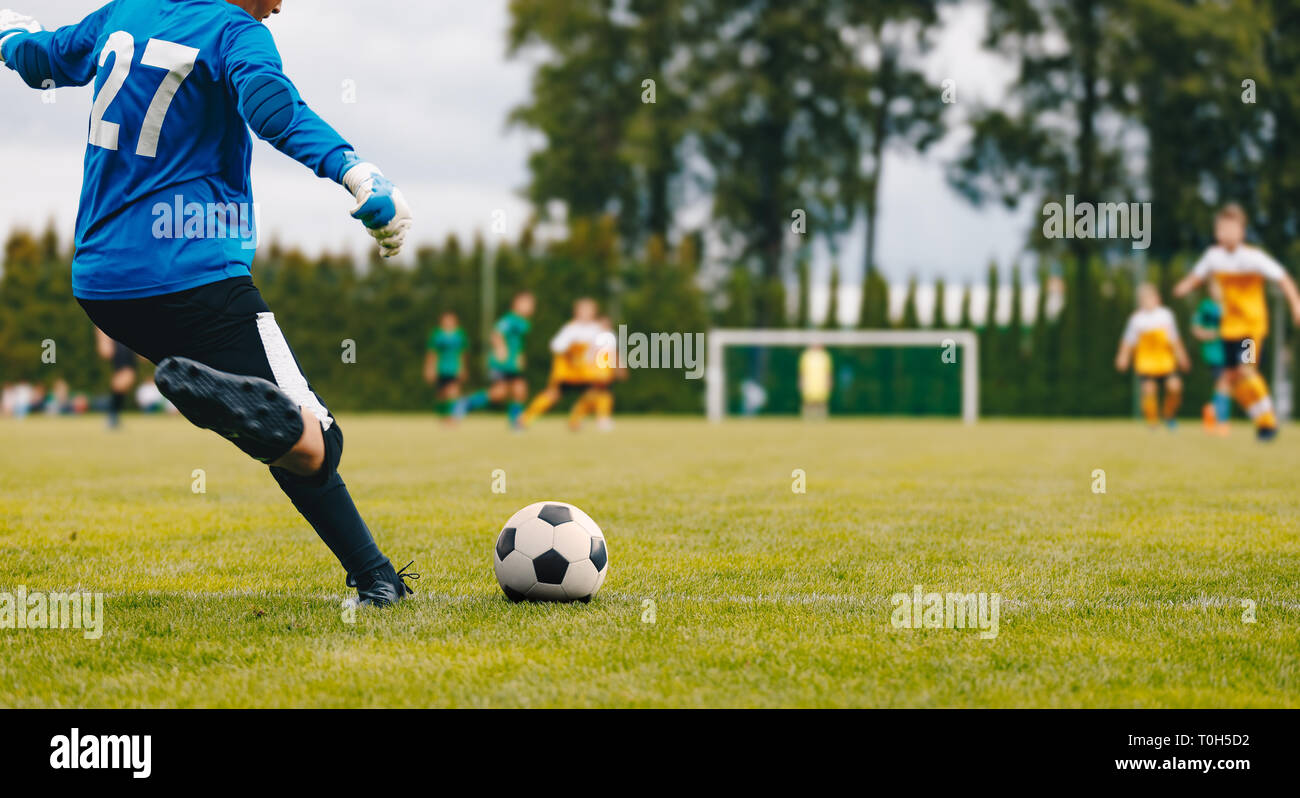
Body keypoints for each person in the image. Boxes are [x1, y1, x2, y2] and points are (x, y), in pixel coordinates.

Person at [1, 0, 417, 605]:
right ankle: (229, 407)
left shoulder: (126, 12)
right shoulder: (233, 32)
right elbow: (272, 106)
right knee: (317, 439)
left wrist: (10, 32)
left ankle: (376, 576)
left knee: (277, 426)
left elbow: (44, 60)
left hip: (104, 284)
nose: (282, 3)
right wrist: (356, 171)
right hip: (194, 275)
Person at [1173, 204, 1300, 440]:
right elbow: (1196, 276)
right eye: (1222, 228)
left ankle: (1268, 418)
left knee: (1246, 370)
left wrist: (1296, 303)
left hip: (1251, 328)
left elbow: (1283, 279)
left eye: (1232, 228)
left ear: (1242, 231)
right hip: (1229, 329)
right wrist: (1184, 286)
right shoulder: (1213, 257)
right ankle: (1262, 420)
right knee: (1232, 379)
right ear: (1216, 231)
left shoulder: (1254, 258)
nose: (1226, 233)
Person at [452, 292, 535, 429]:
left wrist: (520, 356)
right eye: (527, 303)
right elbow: (496, 334)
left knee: (519, 390)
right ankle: (466, 403)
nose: (530, 307)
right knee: (499, 393)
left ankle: (516, 423)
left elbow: (517, 343)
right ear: (516, 303)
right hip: (502, 363)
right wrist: (501, 349)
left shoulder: (523, 322)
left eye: (532, 304)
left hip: (512, 364)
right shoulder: (510, 319)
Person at [1115, 284, 1191, 429]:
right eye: (1144, 299)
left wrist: (1182, 357)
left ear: (1157, 298)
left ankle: (1169, 414)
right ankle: (1152, 420)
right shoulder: (1136, 319)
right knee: (1149, 390)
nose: (1147, 301)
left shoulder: (1166, 315)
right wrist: (1122, 357)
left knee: (1175, 388)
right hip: (1146, 362)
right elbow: (1127, 341)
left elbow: (1174, 339)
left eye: (1150, 298)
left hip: (1166, 361)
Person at [520, 298, 602, 428]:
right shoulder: (571, 329)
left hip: (584, 371)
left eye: (589, 310)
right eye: (583, 310)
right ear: (576, 311)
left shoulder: (596, 329)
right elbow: (555, 346)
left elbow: (600, 350)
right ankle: (525, 419)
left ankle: (575, 420)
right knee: (552, 395)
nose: (586, 313)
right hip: (566, 371)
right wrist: (571, 348)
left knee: (593, 395)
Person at [1190, 279, 1228, 434]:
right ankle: (1222, 422)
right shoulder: (1205, 307)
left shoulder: (1232, 304)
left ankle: (1211, 410)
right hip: (1215, 352)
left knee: (1230, 384)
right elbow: (1196, 329)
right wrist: (1211, 334)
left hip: (1235, 349)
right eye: (1213, 287)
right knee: (1223, 383)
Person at [424, 311, 467, 421]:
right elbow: (432, 353)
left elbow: (463, 353)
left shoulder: (460, 334)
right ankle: (442, 416)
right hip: (441, 368)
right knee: (441, 394)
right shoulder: (437, 335)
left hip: (454, 368)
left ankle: (452, 417)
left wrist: (463, 368)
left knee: (453, 392)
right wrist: (429, 368)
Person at [95, 326, 138, 428]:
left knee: (128, 376)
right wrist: (102, 339)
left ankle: (111, 411)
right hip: (117, 337)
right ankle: (110, 413)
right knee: (125, 375)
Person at [798, 344, 832, 420]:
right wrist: (801, 382)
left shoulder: (825, 356)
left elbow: (828, 372)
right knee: (808, 402)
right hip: (809, 382)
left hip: (821, 383)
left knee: (822, 402)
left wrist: (829, 381)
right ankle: (807, 418)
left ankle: (821, 418)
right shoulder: (806, 356)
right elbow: (802, 371)